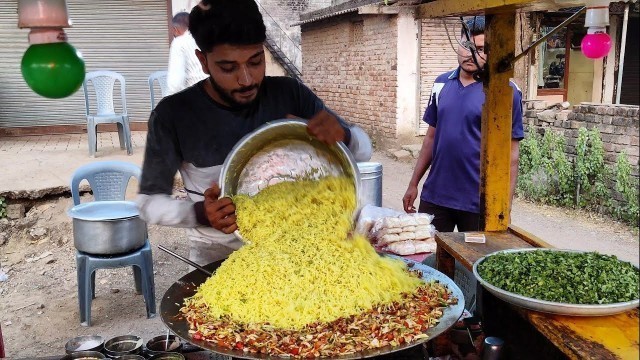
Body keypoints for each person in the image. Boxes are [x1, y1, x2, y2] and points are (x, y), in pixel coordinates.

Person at [136, 0, 372, 266]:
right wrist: (201, 212)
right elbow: (148, 203)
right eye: (228, 68)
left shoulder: (290, 94)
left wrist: (345, 135)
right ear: (203, 61)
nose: (247, 79)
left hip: (300, 250)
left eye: (256, 61)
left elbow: (364, 150)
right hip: (220, 256)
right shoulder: (174, 114)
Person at [402, 16, 524, 232]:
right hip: (436, 197)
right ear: (458, 44)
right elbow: (431, 138)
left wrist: (505, 205)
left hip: (478, 203)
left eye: (481, 49)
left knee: (471, 262)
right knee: (430, 258)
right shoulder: (441, 83)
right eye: (467, 46)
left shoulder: (505, 92)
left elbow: (511, 156)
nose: (472, 54)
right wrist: (413, 183)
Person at [166, 12, 208, 95]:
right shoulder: (208, 37)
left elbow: (175, 84)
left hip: (197, 97)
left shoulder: (179, 43)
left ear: (175, 29)